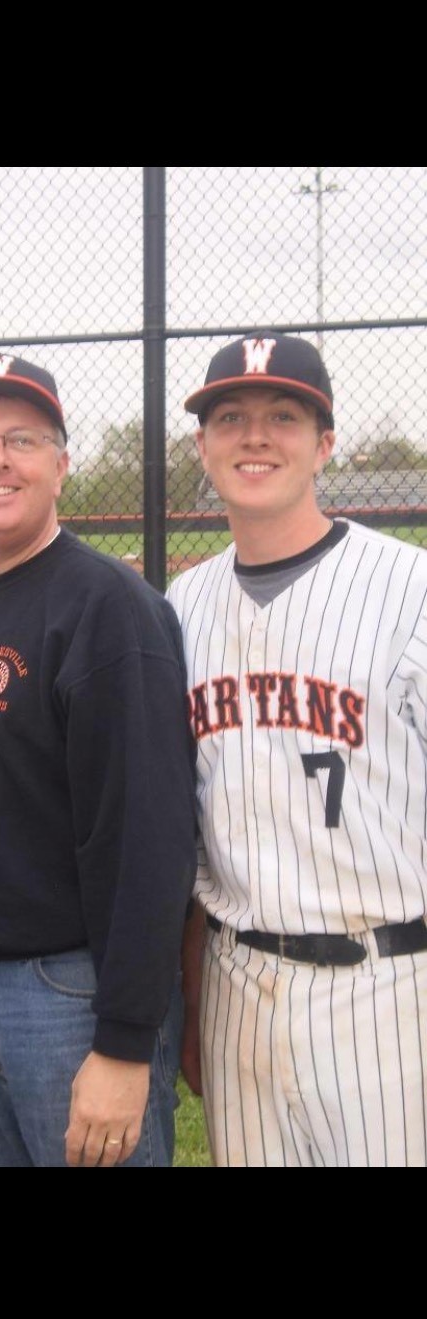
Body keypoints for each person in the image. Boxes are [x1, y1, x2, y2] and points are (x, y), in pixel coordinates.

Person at [0, 353, 197, 1168]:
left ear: (61, 466)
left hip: (70, 994)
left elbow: (149, 839)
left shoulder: (109, 610)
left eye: (22, 439)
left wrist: (125, 1044)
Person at [167, 330, 427, 1168]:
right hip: (240, 982)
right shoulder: (180, 605)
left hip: (388, 985)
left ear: (324, 445)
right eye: (230, 417)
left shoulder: (407, 588)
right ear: (202, 445)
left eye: (283, 415)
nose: (254, 436)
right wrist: (196, 999)